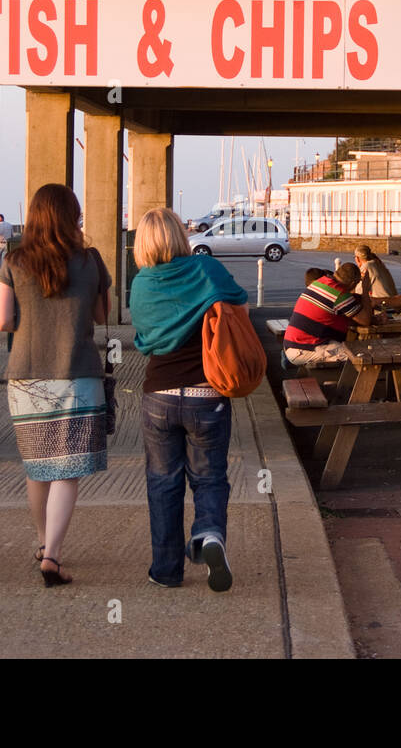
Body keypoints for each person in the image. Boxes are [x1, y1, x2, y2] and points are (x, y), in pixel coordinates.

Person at [0, 184, 109, 587]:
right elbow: (100, 313)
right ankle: (53, 556)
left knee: (38, 467)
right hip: (77, 373)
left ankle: (44, 545)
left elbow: (1, 322)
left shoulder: (14, 260)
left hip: (25, 376)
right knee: (68, 468)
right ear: (72, 215)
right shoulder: (90, 260)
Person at [129, 208, 247, 591]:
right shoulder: (205, 269)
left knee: (163, 481)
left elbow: (145, 339)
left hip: (159, 395)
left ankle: (165, 570)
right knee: (209, 476)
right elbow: (241, 308)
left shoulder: (142, 284)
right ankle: (208, 535)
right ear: (180, 236)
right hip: (208, 393)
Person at [282, 262, 373, 366]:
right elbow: (365, 321)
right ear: (353, 283)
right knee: (360, 357)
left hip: (296, 344)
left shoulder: (321, 282)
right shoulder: (339, 293)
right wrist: (365, 290)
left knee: (349, 350)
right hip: (305, 348)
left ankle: (331, 381)